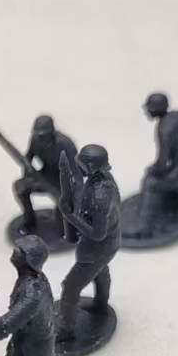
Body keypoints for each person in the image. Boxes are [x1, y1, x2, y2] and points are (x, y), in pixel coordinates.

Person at [57, 143, 120, 344]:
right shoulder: (103, 180)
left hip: (97, 248)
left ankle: (66, 331)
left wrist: (70, 216)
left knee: (70, 287)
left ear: (91, 167)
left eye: (82, 164)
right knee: (100, 272)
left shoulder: (100, 195)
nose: (79, 167)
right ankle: (101, 305)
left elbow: (98, 233)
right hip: (108, 246)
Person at [138, 92, 178, 226]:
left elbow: (163, 162)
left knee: (149, 182)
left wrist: (152, 170)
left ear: (156, 109)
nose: (147, 111)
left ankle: (145, 225)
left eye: (149, 108)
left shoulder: (164, 128)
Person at [13, 115, 77, 235]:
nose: (40, 138)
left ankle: (65, 230)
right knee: (20, 188)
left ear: (51, 133)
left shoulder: (65, 144)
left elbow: (75, 172)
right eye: (38, 134)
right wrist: (27, 177)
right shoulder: (35, 140)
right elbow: (28, 158)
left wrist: (69, 194)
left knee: (63, 217)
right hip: (44, 175)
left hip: (63, 181)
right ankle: (30, 222)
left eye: (43, 135)